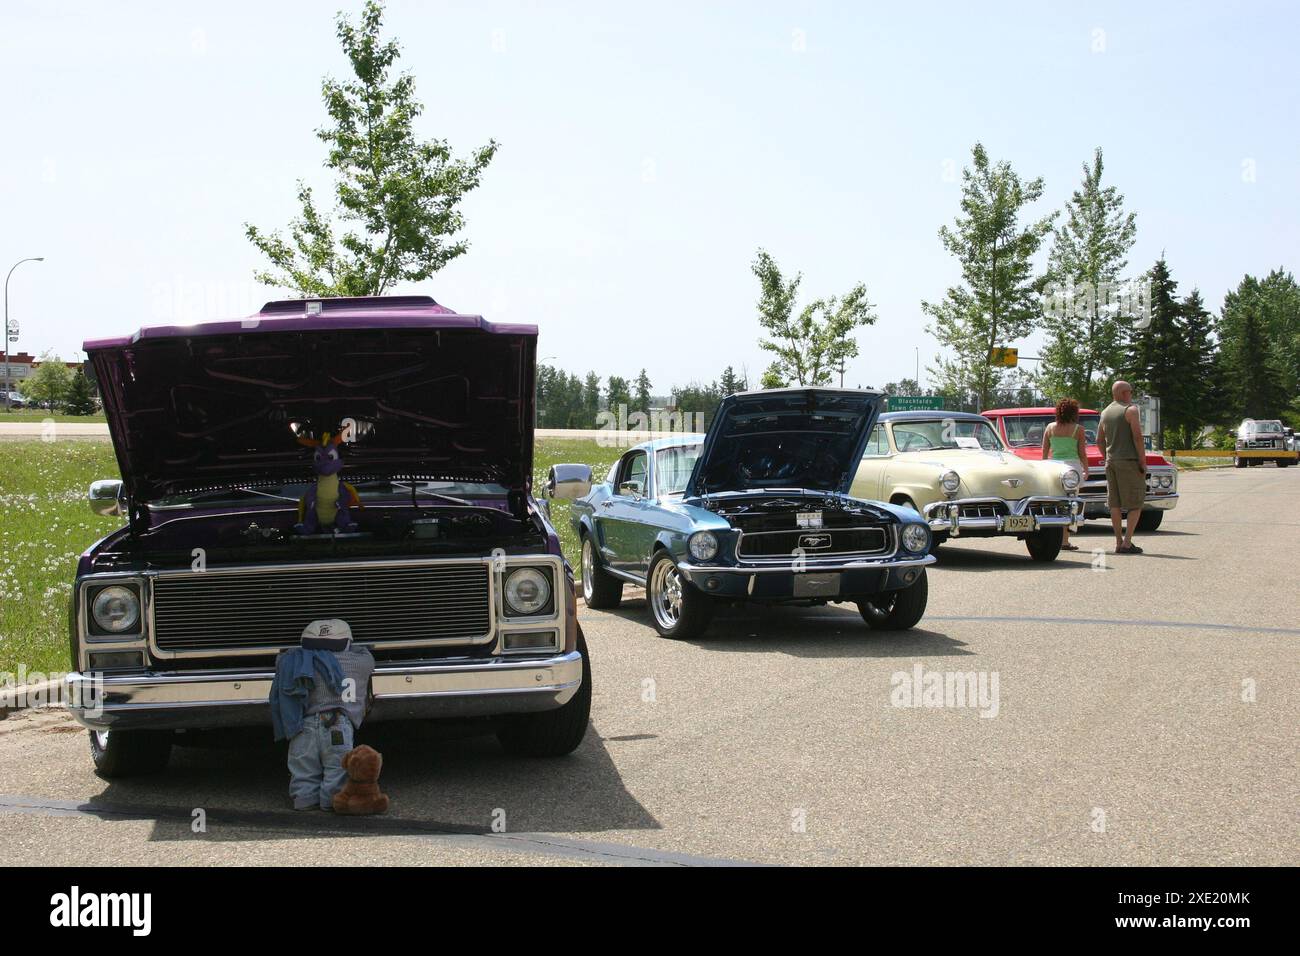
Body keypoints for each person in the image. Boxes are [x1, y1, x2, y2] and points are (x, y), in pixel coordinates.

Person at [270, 619, 375, 811]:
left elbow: (281, 659)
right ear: (346, 644)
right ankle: (331, 801)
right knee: (337, 767)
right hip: (338, 725)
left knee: (303, 766)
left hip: (303, 724)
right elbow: (367, 656)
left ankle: (304, 799)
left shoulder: (294, 662)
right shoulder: (358, 662)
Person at [1095, 380, 1147, 554]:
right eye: (1130, 391)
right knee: (1135, 503)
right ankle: (1127, 542)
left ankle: (1118, 541)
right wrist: (1142, 460)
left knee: (1115, 503)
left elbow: (1099, 440)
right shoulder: (1131, 410)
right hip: (1129, 461)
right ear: (1125, 393)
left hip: (1111, 462)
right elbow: (1138, 437)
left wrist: (1107, 456)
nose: (1131, 394)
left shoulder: (1105, 412)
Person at [1041, 397, 1088, 551]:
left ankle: (1055, 538)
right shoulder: (1078, 429)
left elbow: (1044, 452)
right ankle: (1065, 541)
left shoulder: (1050, 427)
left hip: (1054, 467)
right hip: (1072, 468)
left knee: (1056, 503)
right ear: (1074, 412)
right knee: (1071, 504)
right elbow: (1082, 453)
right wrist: (1086, 469)